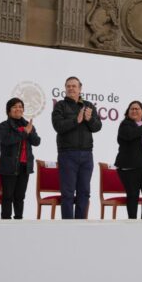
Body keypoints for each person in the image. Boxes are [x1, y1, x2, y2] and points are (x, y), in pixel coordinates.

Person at [51, 76, 101, 219]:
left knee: (84, 192)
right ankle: (67, 226)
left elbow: (97, 127)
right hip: (67, 154)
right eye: (68, 86)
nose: (71, 88)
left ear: (80, 88)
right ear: (65, 89)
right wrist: (76, 120)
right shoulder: (60, 105)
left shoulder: (89, 105)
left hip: (86, 155)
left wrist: (89, 119)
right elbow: (58, 126)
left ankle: (81, 224)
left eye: (74, 86)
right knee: (67, 193)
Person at [0, 97, 40, 219]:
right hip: (8, 167)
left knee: (20, 196)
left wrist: (30, 132)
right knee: (8, 196)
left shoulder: (28, 125)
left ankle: (19, 220)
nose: (18, 109)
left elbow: (37, 141)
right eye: (15, 107)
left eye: (20, 107)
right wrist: (24, 133)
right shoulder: (4, 125)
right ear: (9, 110)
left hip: (25, 166)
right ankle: (5, 221)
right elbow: (6, 140)